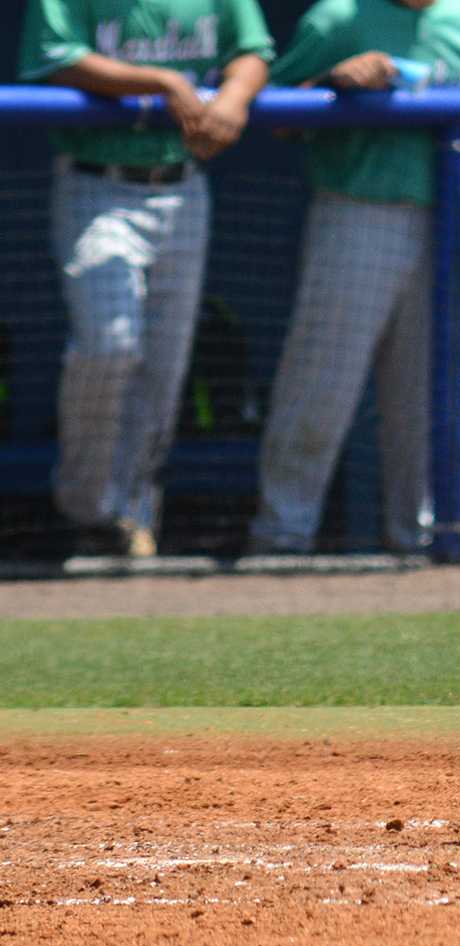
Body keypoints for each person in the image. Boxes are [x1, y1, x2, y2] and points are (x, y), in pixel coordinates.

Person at [247, 0, 460, 555]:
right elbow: (272, 110)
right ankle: (281, 536)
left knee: (426, 395)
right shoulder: (336, 18)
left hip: (445, 214)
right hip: (357, 207)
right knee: (321, 385)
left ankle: (417, 541)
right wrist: (331, 85)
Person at [18, 0, 274, 557]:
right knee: (108, 344)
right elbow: (54, 60)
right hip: (99, 182)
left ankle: (134, 518)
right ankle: (87, 507)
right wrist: (161, 79)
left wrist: (233, 96)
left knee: (163, 366)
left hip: (183, 185)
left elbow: (253, 51)